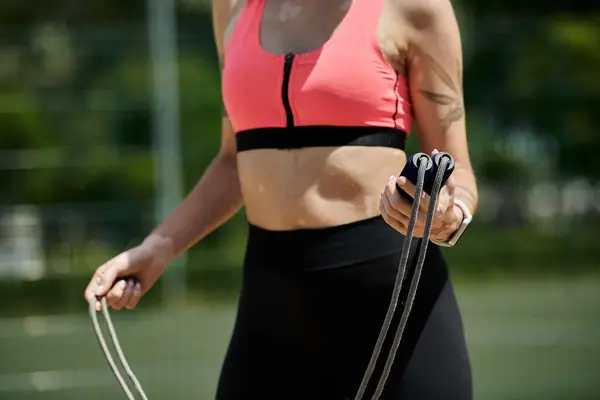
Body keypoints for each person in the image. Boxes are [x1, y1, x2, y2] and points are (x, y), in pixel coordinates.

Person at [84, 0, 479, 398]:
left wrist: (450, 213)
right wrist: (157, 248)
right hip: (271, 303)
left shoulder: (416, 8)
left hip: (391, 299)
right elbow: (232, 161)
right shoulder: (232, 6)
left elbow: (457, 168)